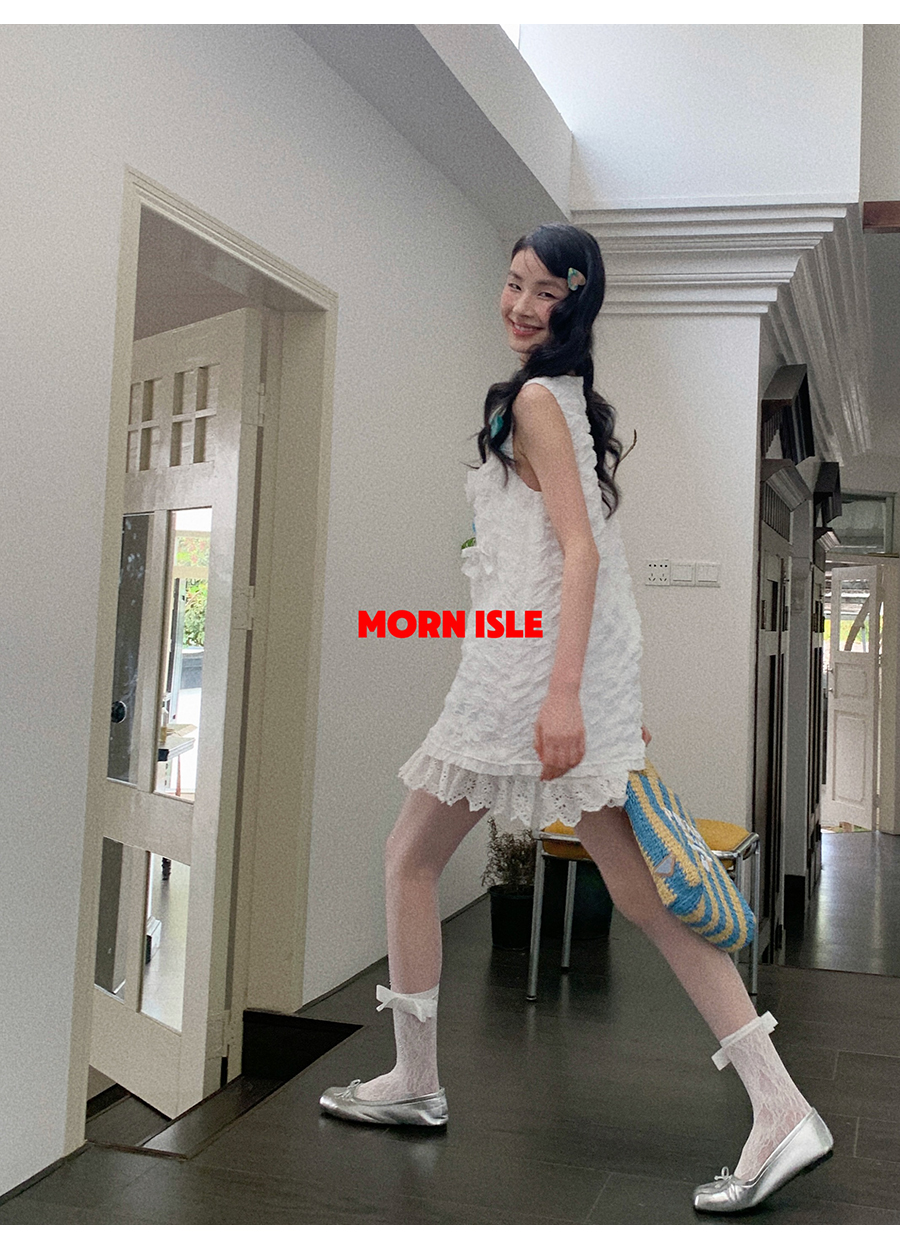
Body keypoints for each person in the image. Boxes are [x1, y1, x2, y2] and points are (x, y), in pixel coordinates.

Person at [320, 223, 832, 1213]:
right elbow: (571, 558)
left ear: (576, 303)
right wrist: (603, 696)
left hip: (524, 683)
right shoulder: (557, 401)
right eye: (512, 283)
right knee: (633, 894)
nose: (520, 305)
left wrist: (569, 698)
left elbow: (582, 556)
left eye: (544, 292)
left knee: (415, 858)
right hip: (530, 672)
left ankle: (422, 1080)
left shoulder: (536, 403)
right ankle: (776, 1103)